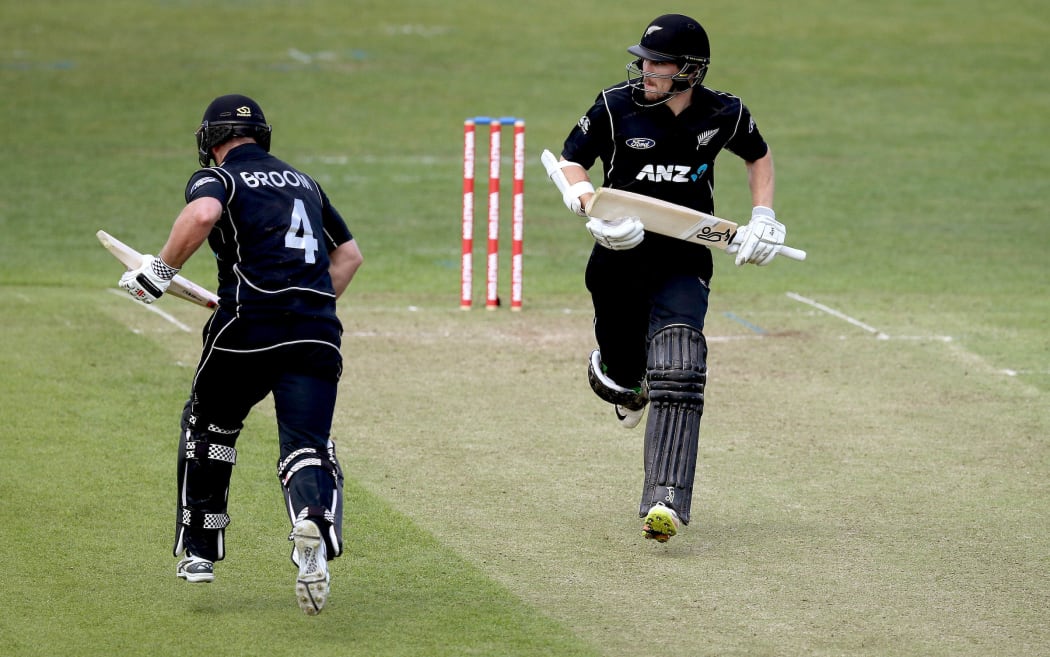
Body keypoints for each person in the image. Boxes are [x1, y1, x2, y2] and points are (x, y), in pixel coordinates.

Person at [119, 94, 363, 614]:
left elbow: (204, 214)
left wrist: (157, 274)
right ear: (262, 135)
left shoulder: (219, 178)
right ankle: (313, 523)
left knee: (209, 425)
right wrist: (305, 304)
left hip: (246, 328)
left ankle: (201, 551)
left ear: (210, 141)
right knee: (307, 445)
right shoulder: (306, 183)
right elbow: (349, 254)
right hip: (316, 329)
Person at [550, 14, 788, 542]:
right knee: (623, 375)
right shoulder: (615, 107)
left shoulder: (724, 112)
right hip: (618, 254)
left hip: (685, 255)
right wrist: (587, 202)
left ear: (690, 72)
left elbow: (758, 154)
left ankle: (666, 500)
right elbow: (571, 161)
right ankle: (626, 385)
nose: (646, 70)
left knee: (681, 364)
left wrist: (763, 217)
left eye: (658, 62)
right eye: (644, 60)